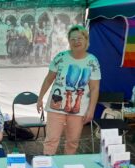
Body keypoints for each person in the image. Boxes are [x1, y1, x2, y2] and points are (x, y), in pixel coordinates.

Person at [37, 25, 101, 155]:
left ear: (86, 40)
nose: (76, 41)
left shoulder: (92, 61)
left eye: (80, 38)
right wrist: (40, 98)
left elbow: (94, 88)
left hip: (79, 109)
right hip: (56, 106)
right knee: (51, 140)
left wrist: (91, 110)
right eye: (73, 39)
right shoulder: (60, 57)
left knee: (73, 141)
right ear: (69, 41)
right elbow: (49, 79)